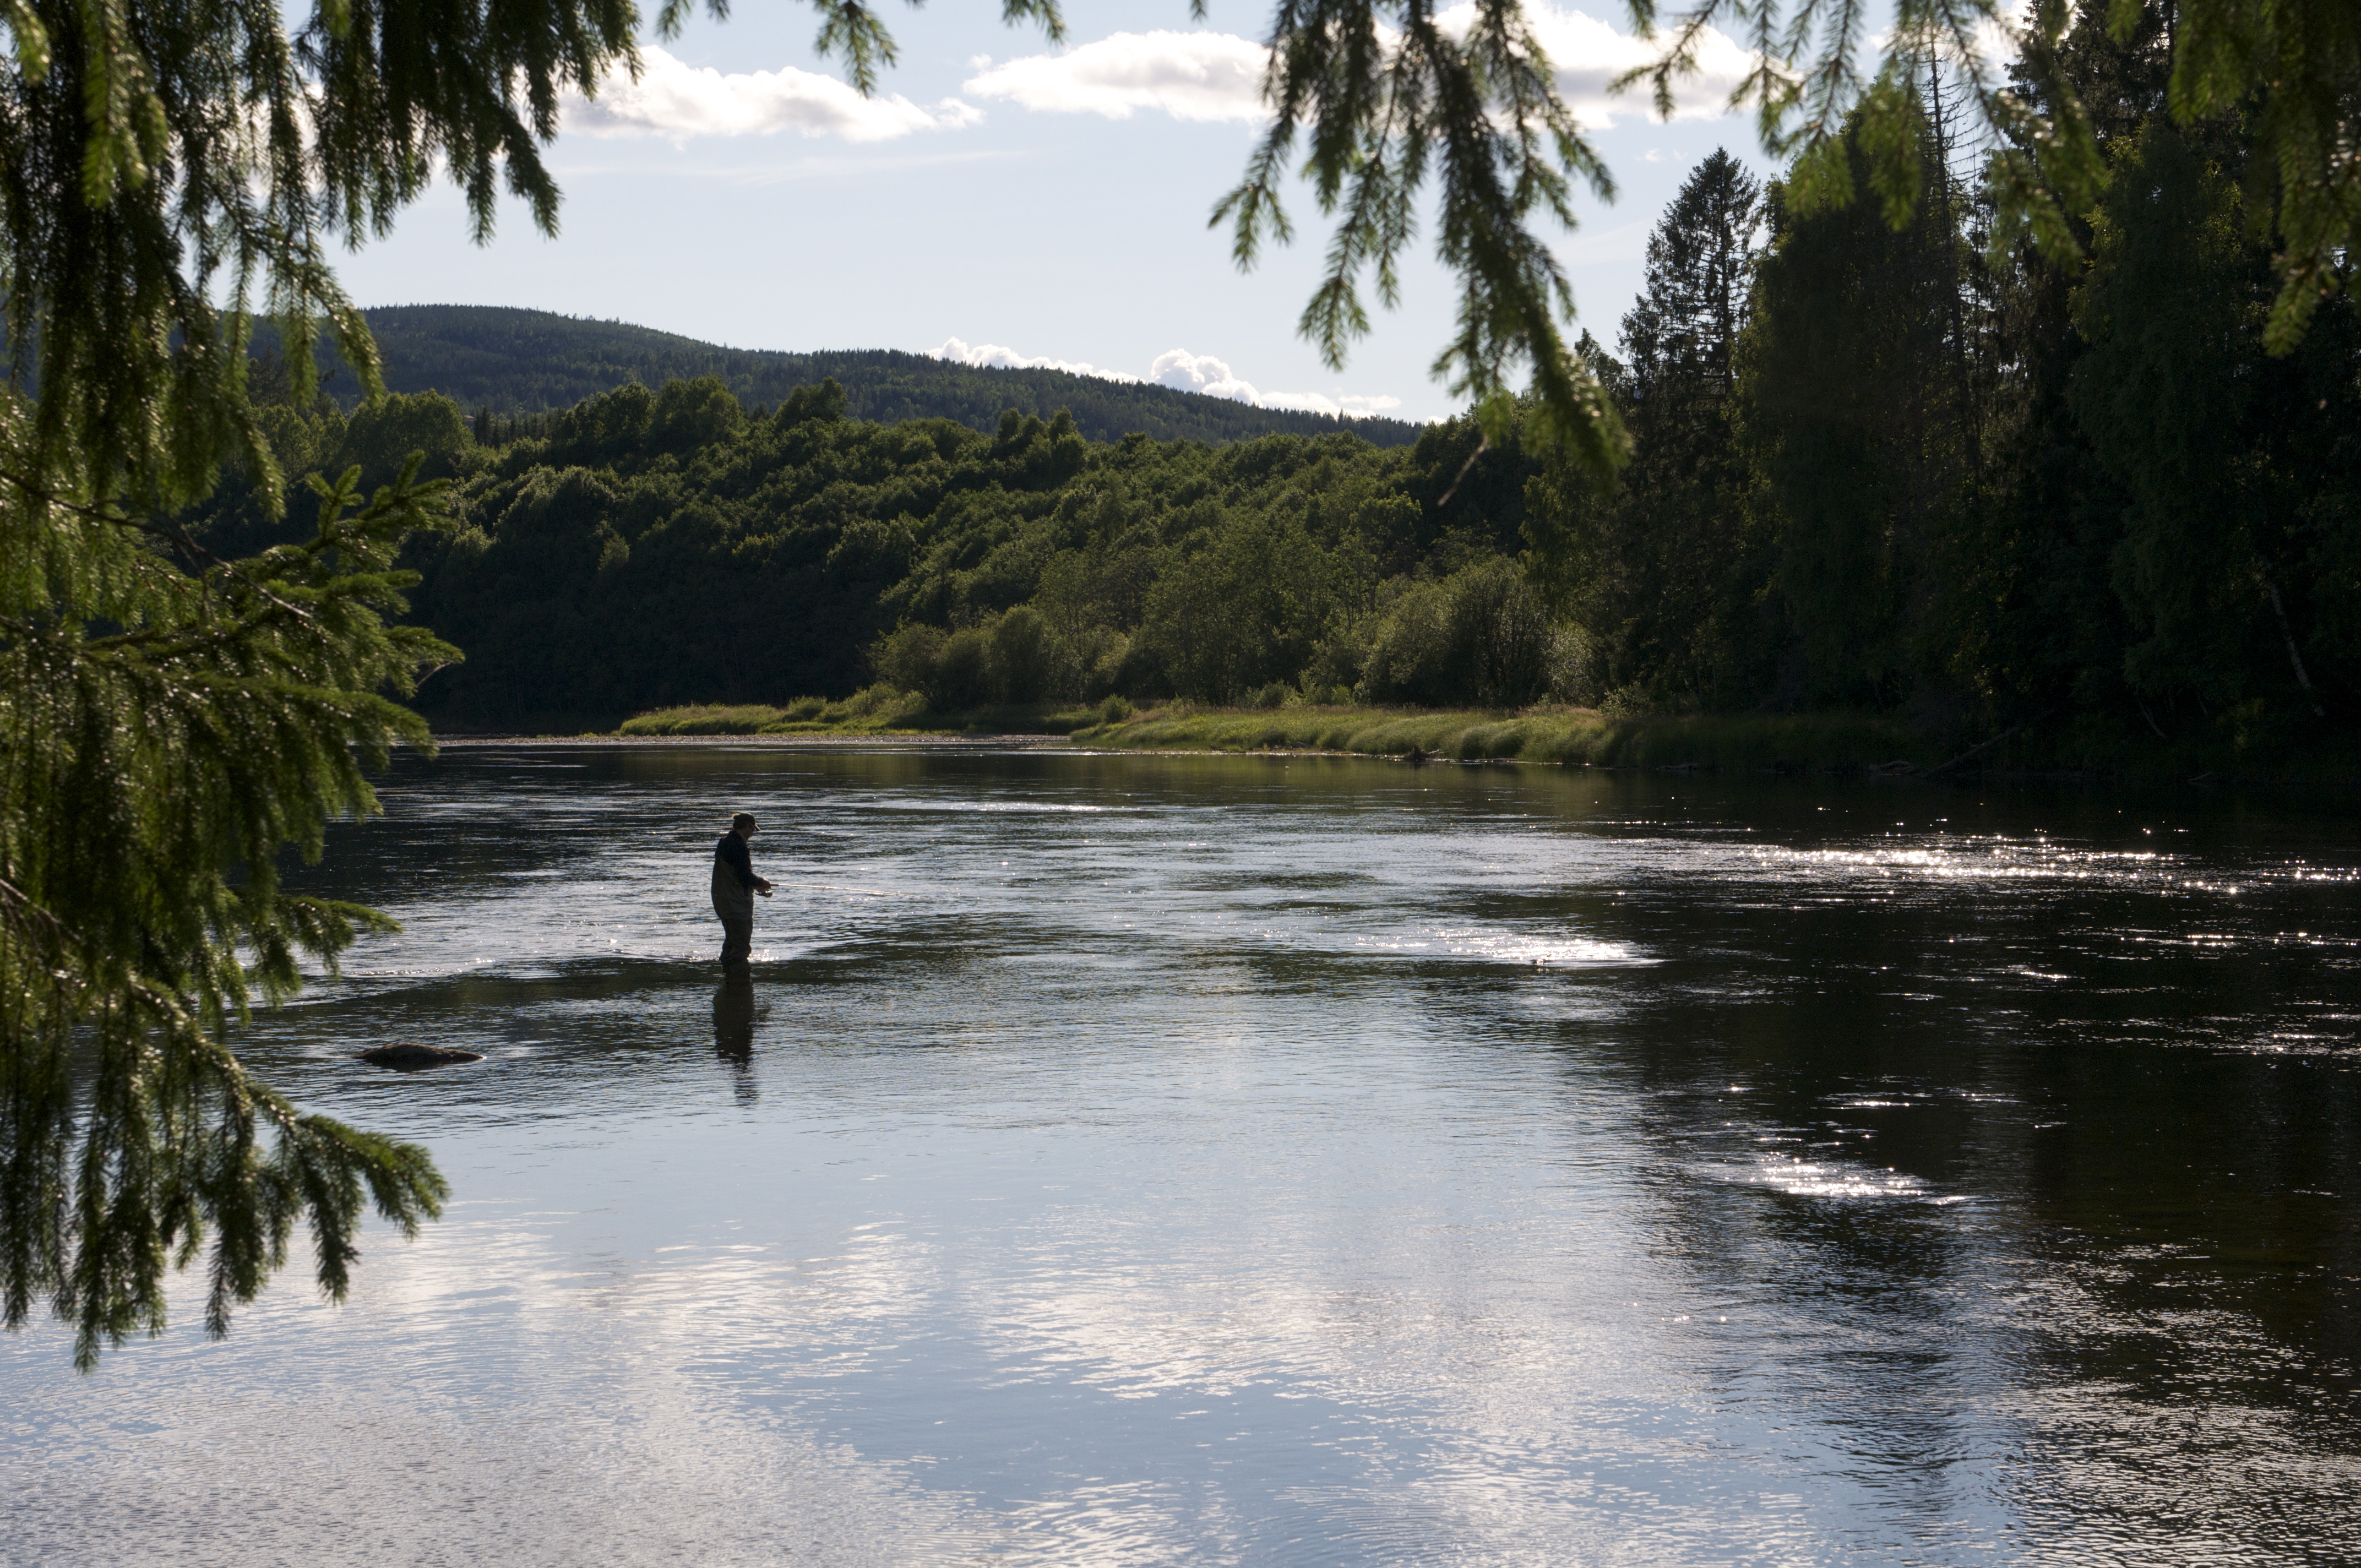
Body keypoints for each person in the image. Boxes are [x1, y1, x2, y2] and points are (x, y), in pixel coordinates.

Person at [712, 812, 773, 969]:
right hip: (735, 905)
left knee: (731, 944)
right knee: (741, 947)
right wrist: (762, 882)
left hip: (724, 901)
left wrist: (756, 885)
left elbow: (737, 875)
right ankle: (739, 985)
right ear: (748, 826)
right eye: (753, 830)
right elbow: (745, 876)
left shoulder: (725, 842)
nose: (753, 834)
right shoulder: (738, 846)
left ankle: (727, 982)